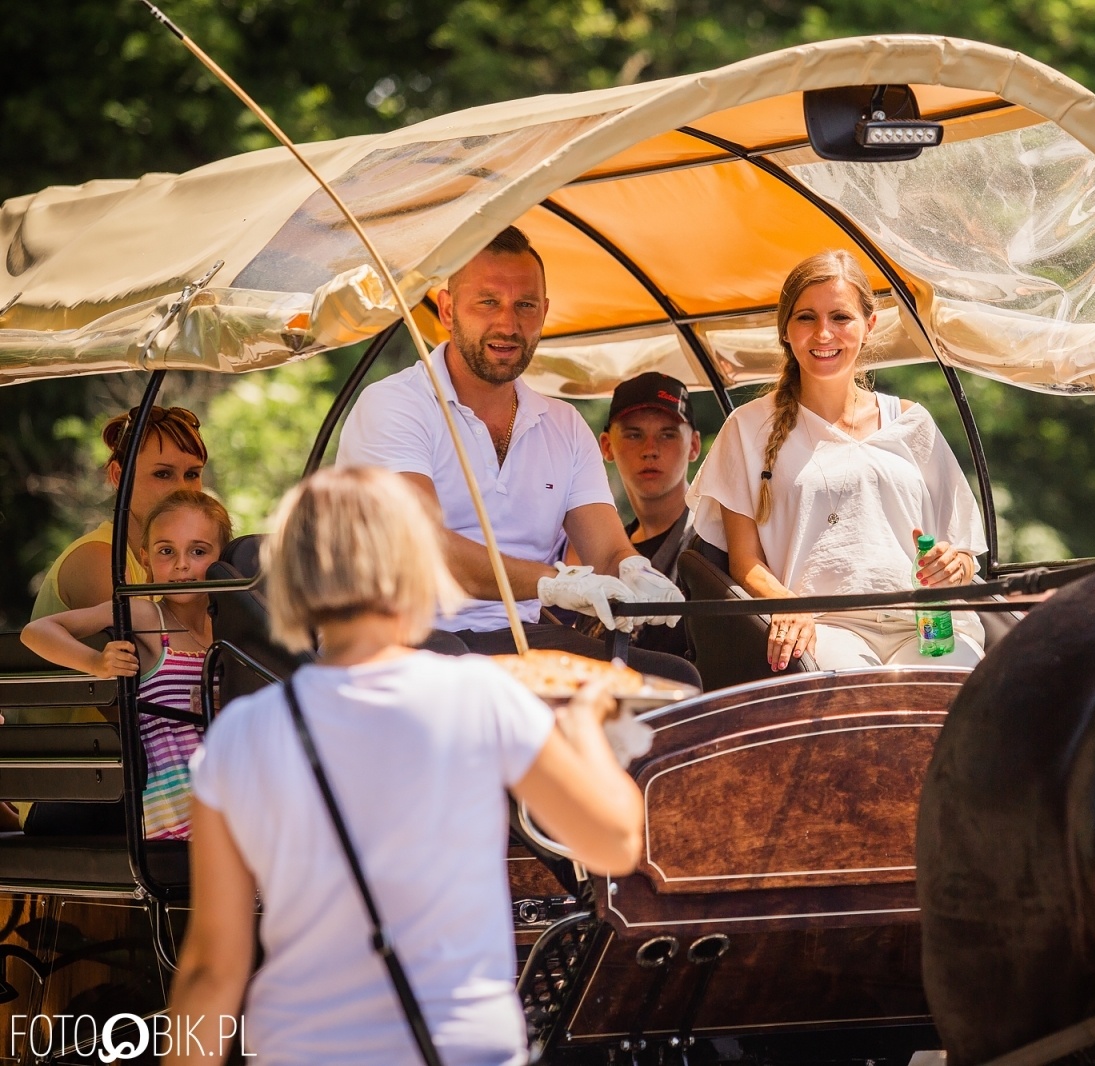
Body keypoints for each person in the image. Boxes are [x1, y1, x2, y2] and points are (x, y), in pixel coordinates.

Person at [161, 466, 644, 1066]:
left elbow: (210, 970)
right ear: (416, 568)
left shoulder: (240, 735)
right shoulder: (483, 697)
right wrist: (588, 731)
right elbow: (616, 843)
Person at [336, 226, 697, 687]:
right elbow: (421, 549)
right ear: (447, 310)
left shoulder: (564, 425)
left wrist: (633, 570)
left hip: (518, 638)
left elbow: (607, 549)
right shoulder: (394, 405)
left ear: (543, 313)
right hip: (395, 636)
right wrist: (553, 582)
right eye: (487, 302)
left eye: (524, 305)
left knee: (673, 680)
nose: (508, 324)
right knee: (468, 691)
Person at [687, 250, 987, 673]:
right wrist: (787, 605)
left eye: (840, 317)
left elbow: (961, 549)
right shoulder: (747, 427)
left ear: (869, 326)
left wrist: (957, 565)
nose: (823, 334)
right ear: (786, 331)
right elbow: (744, 562)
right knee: (860, 710)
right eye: (806, 317)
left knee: (947, 700)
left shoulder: (912, 421)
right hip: (826, 625)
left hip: (926, 623)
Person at [22, 490, 231, 839]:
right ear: (146, 559)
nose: (181, 564)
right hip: (175, 817)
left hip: (229, 803)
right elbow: (37, 632)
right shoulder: (146, 616)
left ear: (222, 558)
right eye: (167, 551)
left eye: (198, 551)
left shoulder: (228, 631)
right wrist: (95, 662)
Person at [569, 372, 701, 658]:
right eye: (633, 434)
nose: (650, 450)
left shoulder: (712, 541)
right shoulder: (602, 550)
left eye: (668, 434)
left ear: (694, 446)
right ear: (606, 446)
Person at [32, 405, 207, 619]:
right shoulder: (99, 561)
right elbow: (142, 650)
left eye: (192, 474)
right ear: (118, 476)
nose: (182, 489)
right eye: (162, 474)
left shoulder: (187, 561)